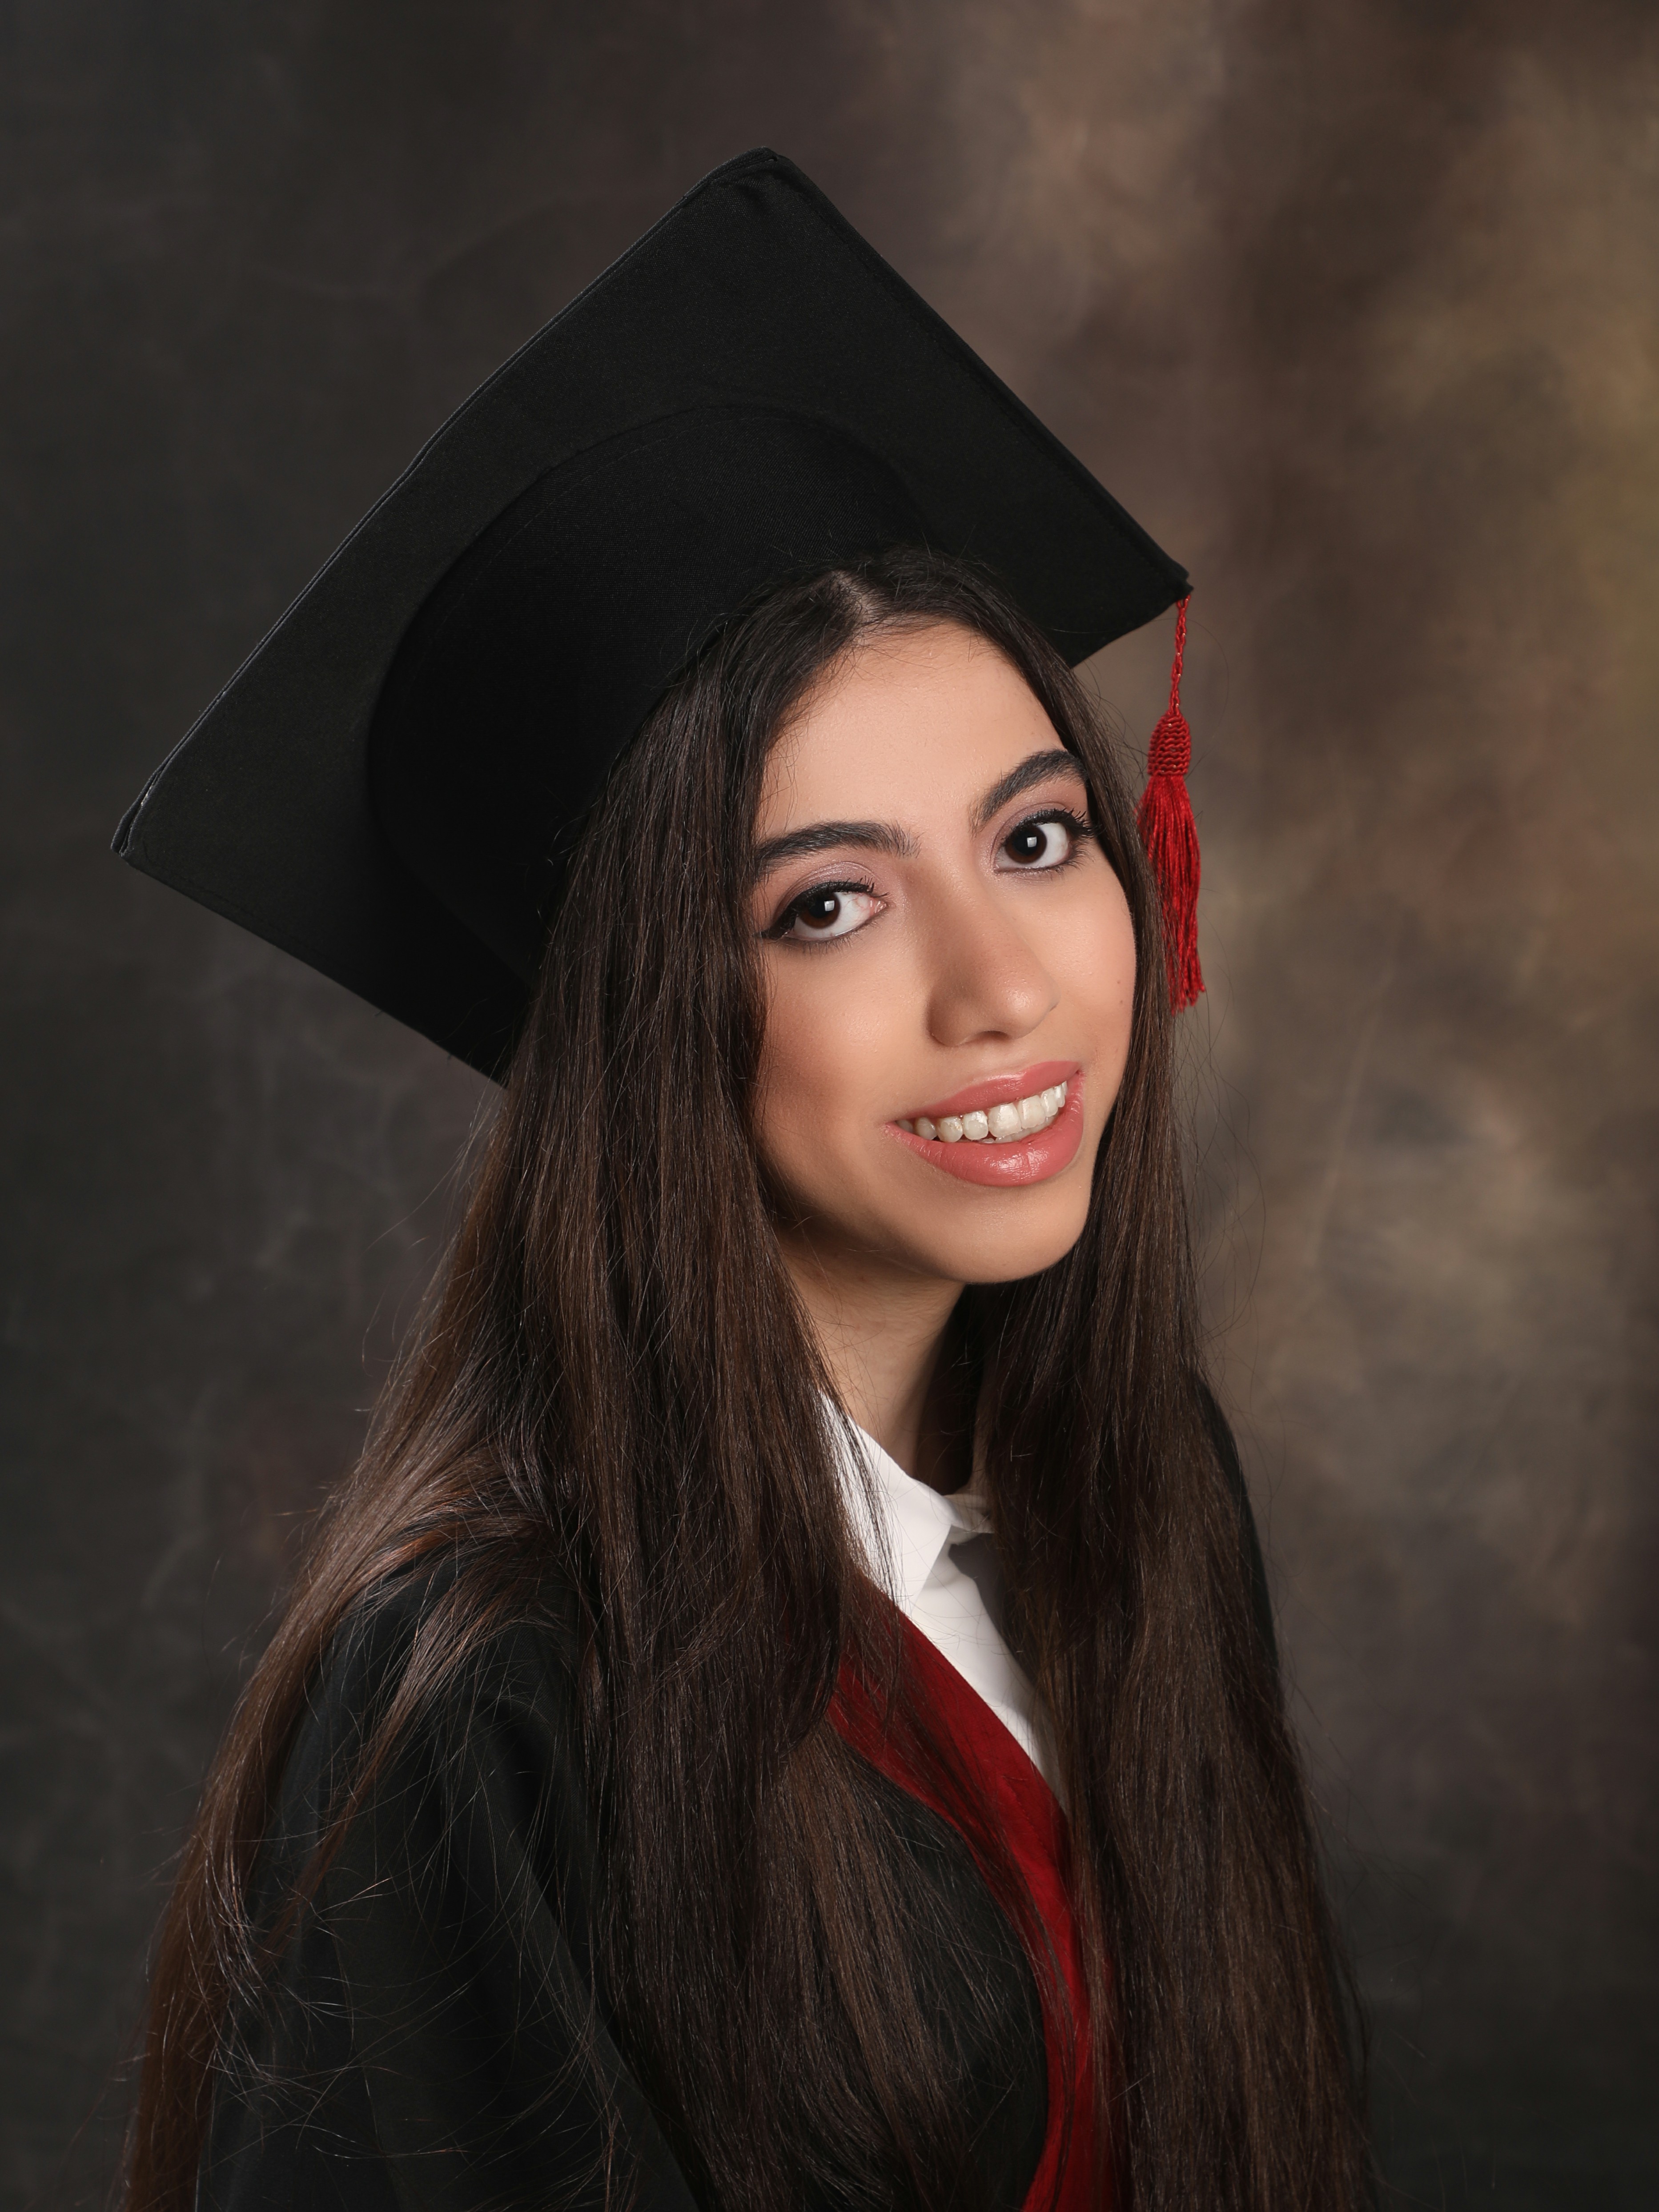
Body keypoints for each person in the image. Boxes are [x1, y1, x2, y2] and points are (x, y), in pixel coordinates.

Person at [115, 152, 1369, 2212]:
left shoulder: (1140, 1487)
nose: (1003, 988)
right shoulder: (490, 1699)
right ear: (647, 1016)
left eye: (1038, 838)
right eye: (828, 904)